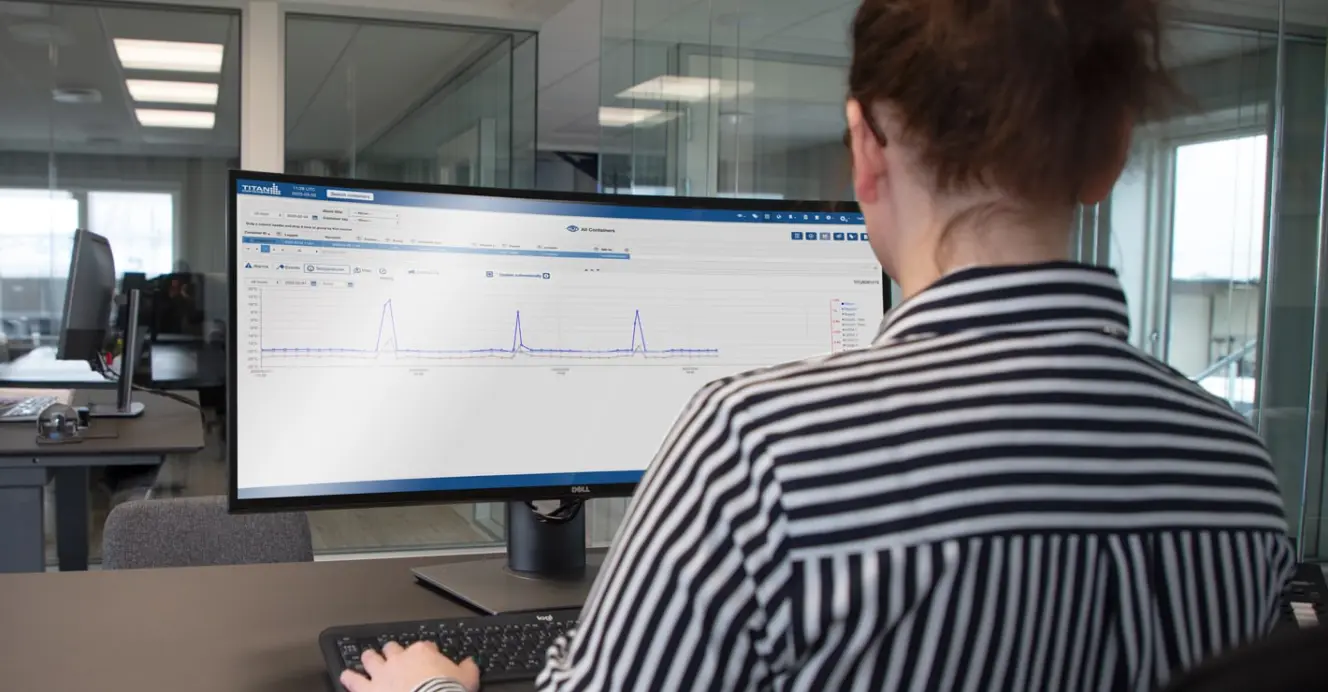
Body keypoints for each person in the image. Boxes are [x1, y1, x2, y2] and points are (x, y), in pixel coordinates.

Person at [342, 0, 1296, 690]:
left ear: (866, 149)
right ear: (1113, 152)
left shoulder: (758, 450)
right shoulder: (1237, 471)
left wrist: (431, 691)